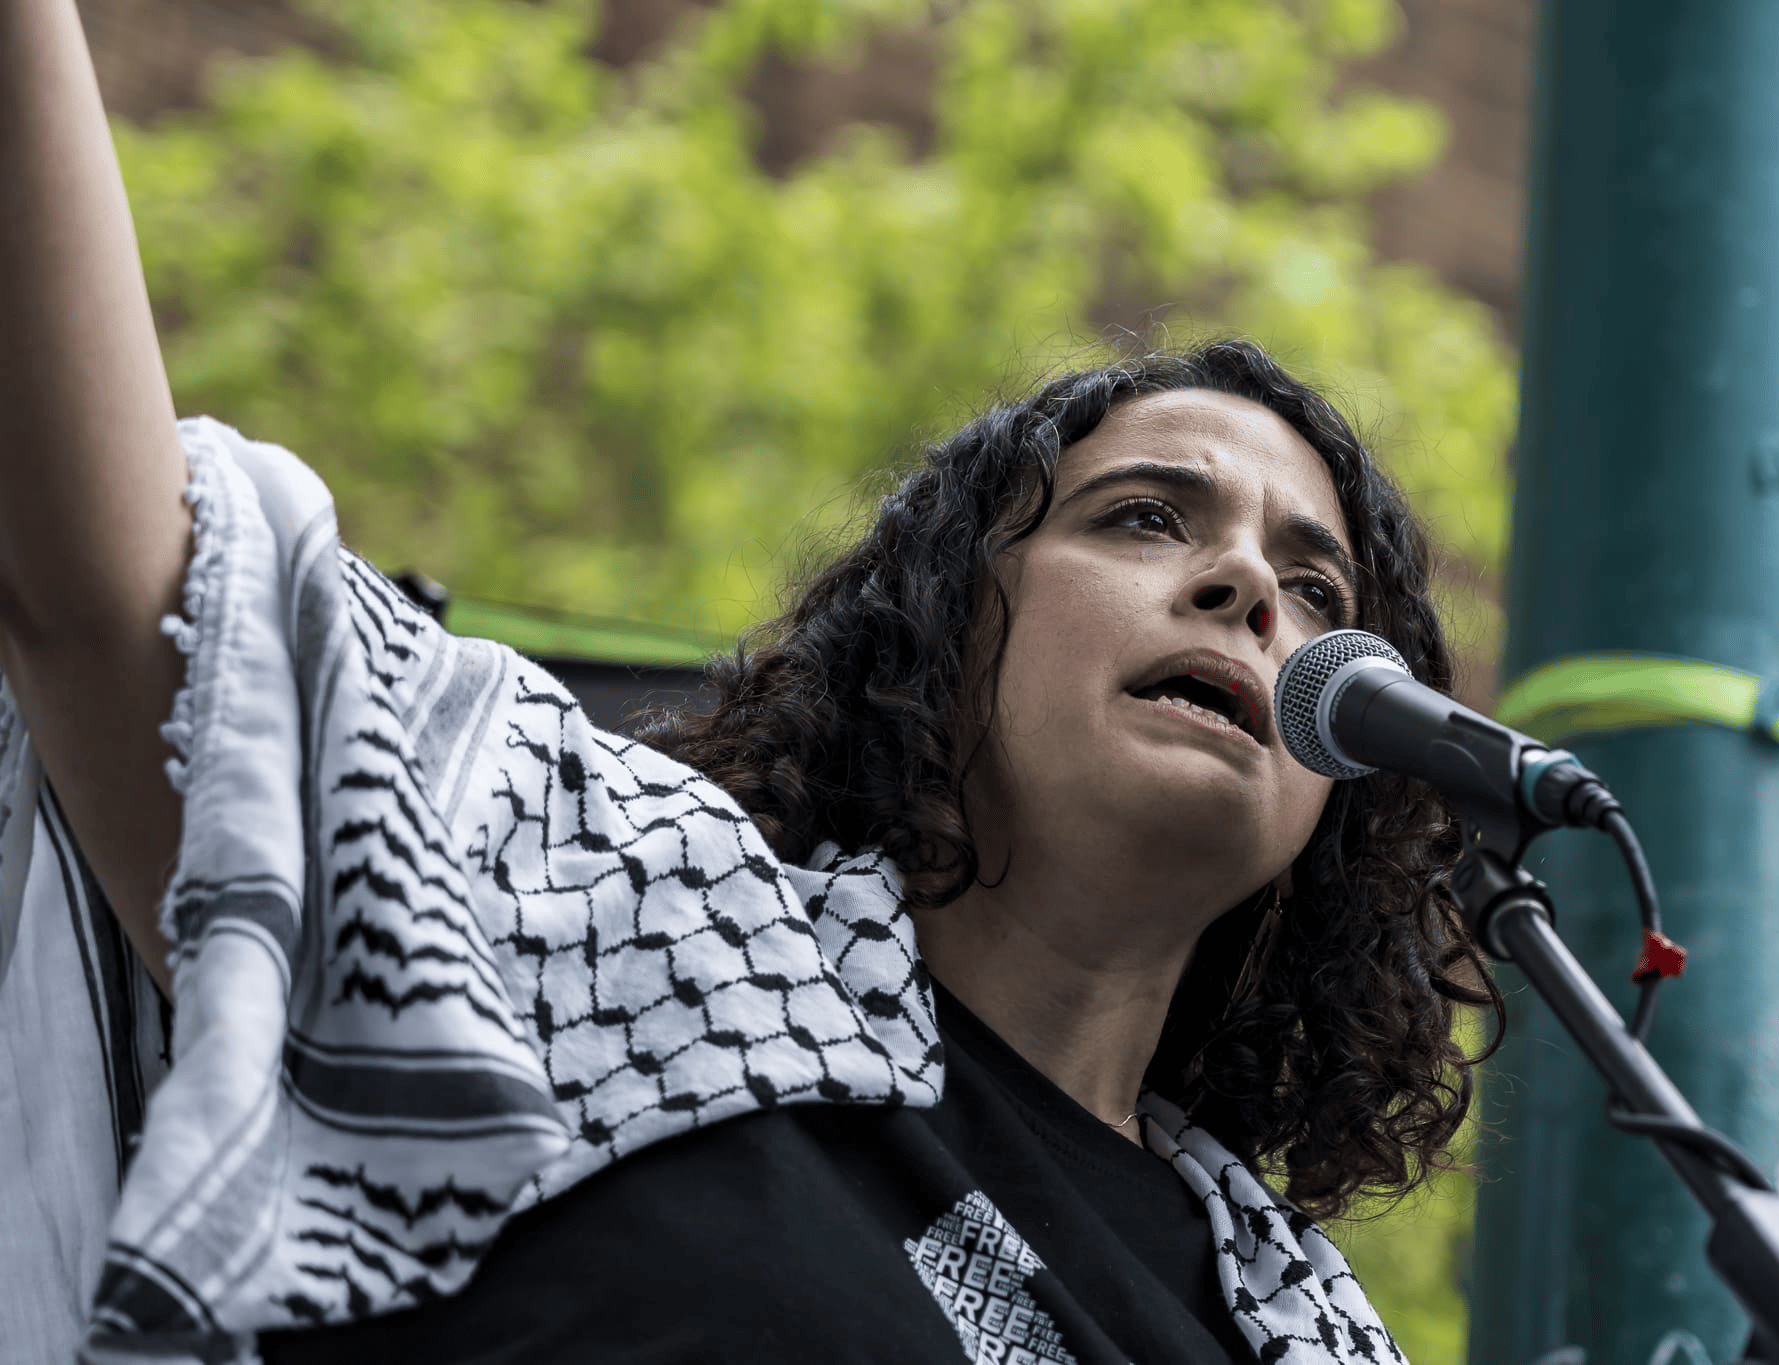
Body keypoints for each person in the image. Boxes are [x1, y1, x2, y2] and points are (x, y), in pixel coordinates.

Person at [0, 2, 1498, 1362]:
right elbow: (111, 593)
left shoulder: (1298, 1330)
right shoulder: (610, 909)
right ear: (943, 633)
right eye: (1144, 518)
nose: (1246, 588)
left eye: (1318, 593)